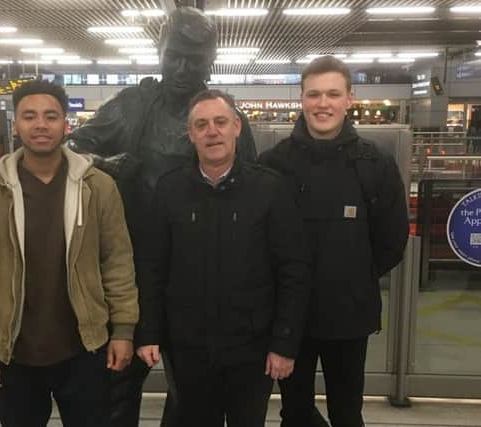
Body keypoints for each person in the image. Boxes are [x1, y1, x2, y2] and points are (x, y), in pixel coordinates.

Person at [65, 7, 257, 427]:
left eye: (196, 59)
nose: (183, 68)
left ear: (212, 60)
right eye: (175, 56)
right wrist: (106, 162)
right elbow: (71, 148)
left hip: (199, 279)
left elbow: (251, 192)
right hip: (130, 273)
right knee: (118, 383)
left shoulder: (222, 116)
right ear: (160, 52)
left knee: (193, 394)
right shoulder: (132, 105)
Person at [0, 79, 138, 427]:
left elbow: (117, 262)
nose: (40, 124)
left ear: (65, 124)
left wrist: (123, 331)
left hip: (85, 348)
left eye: (50, 116)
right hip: (13, 352)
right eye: (30, 116)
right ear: (16, 124)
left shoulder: (98, 187)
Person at [135, 89, 310, 427]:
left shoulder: (269, 189)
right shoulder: (170, 191)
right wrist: (148, 332)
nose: (211, 131)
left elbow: (293, 270)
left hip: (253, 350)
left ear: (237, 127)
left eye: (220, 122)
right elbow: (152, 267)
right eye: (201, 125)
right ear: (191, 134)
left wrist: (284, 343)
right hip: (187, 351)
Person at [259, 56, 409, 427]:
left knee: (347, 411)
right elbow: (259, 240)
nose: (322, 103)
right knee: (294, 411)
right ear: (301, 99)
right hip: (291, 319)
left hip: (350, 316)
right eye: (314, 94)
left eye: (332, 94)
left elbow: (392, 239)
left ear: (349, 99)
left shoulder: (375, 164)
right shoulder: (272, 165)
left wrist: (353, 274)